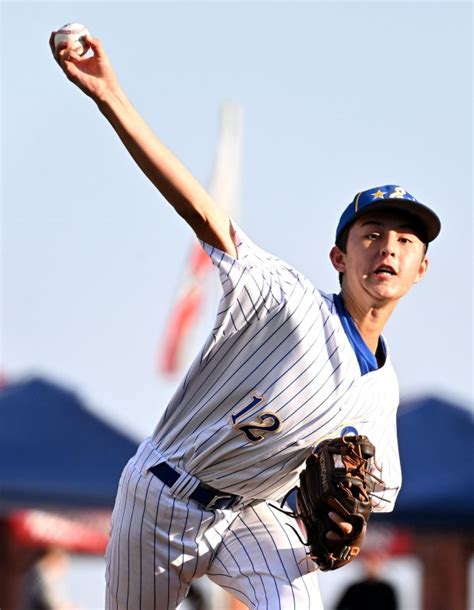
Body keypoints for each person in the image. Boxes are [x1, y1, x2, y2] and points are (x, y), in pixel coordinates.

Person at [50, 32, 440, 610]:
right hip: (162, 497)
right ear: (340, 257)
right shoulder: (284, 299)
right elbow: (202, 210)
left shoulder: (382, 390)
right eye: (372, 235)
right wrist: (110, 95)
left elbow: (369, 502)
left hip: (249, 517)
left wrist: (348, 533)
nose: (388, 248)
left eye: (405, 240)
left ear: (420, 269)